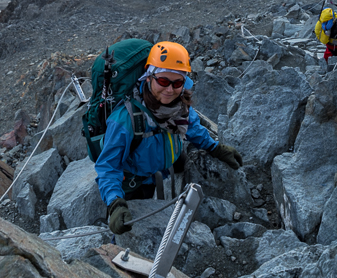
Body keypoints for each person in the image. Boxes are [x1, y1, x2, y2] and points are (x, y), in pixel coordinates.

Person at [97, 41, 243, 234]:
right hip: (135, 179)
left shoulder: (180, 103)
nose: (169, 90)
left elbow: (192, 127)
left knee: (182, 163)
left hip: (164, 159)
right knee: (133, 230)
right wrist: (115, 203)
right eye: (163, 81)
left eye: (177, 83)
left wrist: (215, 148)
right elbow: (108, 166)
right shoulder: (125, 119)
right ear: (148, 77)